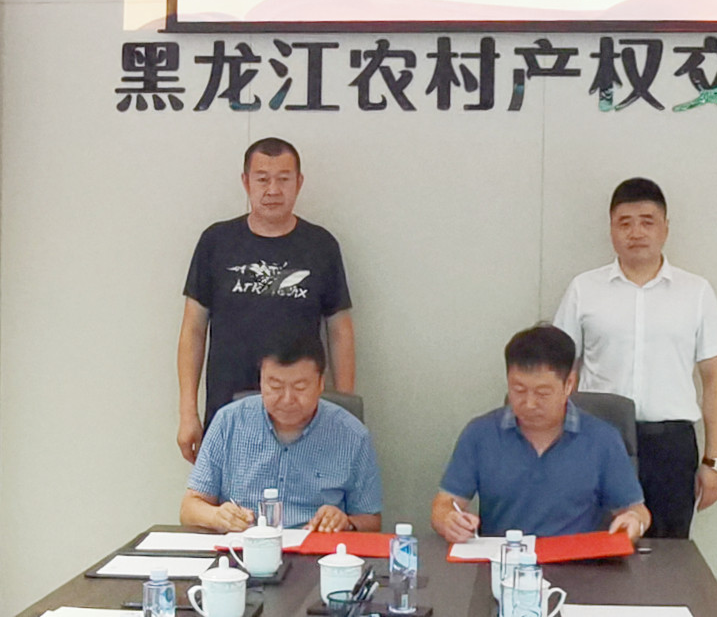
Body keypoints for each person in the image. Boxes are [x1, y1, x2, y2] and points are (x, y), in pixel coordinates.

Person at [553, 177, 717, 539]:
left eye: (647, 222)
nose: (636, 232)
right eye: (625, 223)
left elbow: (715, 378)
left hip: (670, 446)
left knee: (667, 553)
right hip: (598, 439)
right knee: (593, 546)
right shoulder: (584, 289)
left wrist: (714, 461)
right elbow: (559, 372)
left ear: (665, 228)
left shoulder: (695, 292)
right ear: (611, 230)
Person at [177, 137, 355, 462]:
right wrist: (188, 412)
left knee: (305, 491)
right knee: (226, 496)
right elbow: (193, 329)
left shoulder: (321, 246)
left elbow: (340, 331)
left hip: (302, 415)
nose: (273, 190)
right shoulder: (216, 242)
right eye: (262, 179)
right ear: (246, 182)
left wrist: (344, 411)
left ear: (299, 183)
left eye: (283, 179)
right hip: (227, 412)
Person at [431, 324, 650, 542]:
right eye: (518, 390)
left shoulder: (602, 439)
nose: (529, 404)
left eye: (542, 393)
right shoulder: (480, 435)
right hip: (503, 558)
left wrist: (634, 521)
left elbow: (636, 510)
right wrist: (448, 520)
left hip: (578, 560)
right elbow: (444, 504)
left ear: (569, 384)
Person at [180, 332, 382, 533]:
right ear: (261, 381)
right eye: (275, 386)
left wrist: (346, 522)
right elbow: (189, 508)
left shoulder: (352, 435)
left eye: (300, 387)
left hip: (317, 546)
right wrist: (217, 516)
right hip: (243, 544)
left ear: (321, 383)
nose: (287, 399)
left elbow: (372, 521)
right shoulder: (228, 422)